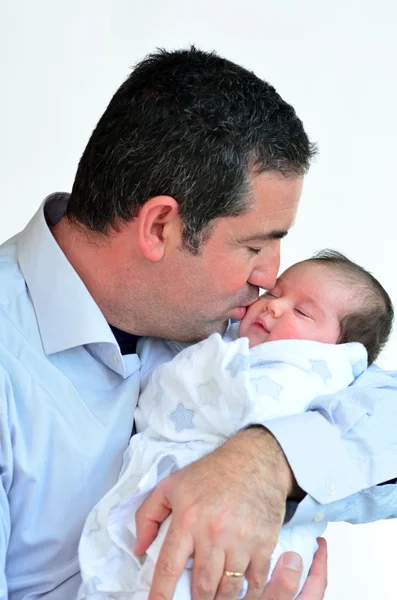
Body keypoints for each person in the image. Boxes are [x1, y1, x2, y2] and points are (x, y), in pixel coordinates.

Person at [1, 47, 397, 600]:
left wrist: (267, 459)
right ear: (160, 226)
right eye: (254, 246)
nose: (268, 279)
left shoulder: (225, 326)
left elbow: (378, 400)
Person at [77, 251, 393, 599]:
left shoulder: (310, 375)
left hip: (241, 541)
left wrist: (268, 454)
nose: (273, 306)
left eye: (301, 311)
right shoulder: (220, 337)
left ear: (340, 351)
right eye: (274, 294)